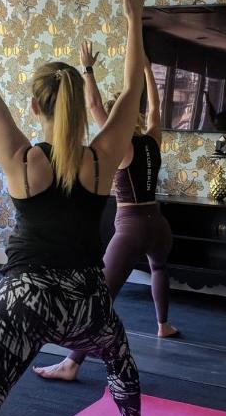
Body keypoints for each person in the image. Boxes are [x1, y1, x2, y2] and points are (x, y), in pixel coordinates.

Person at [0, 0, 156, 416]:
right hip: (86, 304)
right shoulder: (99, 159)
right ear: (79, 105)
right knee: (120, 357)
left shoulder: (26, 162)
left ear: (35, 105)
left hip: (23, 300)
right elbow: (133, 87)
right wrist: (134, 17)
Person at [32, 42, 177, 383]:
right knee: (159, 267)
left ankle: (71, 363)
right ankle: (163, 325)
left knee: (102, 297)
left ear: (118, 122)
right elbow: (156, 107)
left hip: (132, 228)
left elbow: (93, 104)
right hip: (160, 225)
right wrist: (146, 68)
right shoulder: (153, 138)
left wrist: (87, 69)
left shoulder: (120, 144)